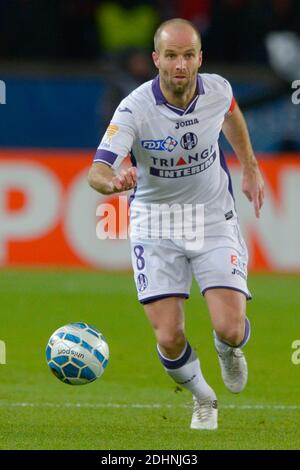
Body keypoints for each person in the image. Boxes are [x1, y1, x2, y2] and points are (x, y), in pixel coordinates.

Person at [88, 18, 264, 430]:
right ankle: (204, 399)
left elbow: (231, 115)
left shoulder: (217, 89)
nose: (180, 64)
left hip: (211, 215)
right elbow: (96, 170)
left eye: (188, 55)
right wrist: (113, 182)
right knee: (168, 336)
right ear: (156, 59)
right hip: (156, 223)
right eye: (171, 56)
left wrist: (250, 166)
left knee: (232, 329)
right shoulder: (134, 107)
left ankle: (227, 349)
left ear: (199, 58)